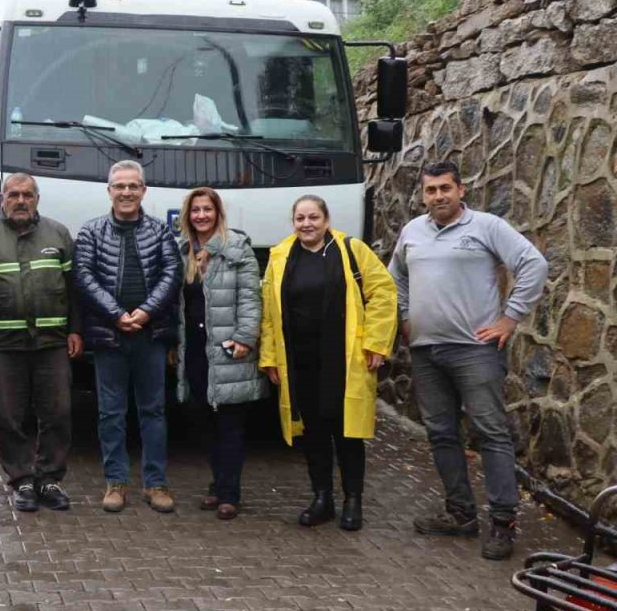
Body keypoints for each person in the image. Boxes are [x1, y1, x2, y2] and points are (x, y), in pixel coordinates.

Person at [388, 161, 547, 560]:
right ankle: (460, 513)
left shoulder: (486, 227)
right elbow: (395, 279)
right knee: (441, 433)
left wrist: (509, 318)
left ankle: (503, 522)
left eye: (445, 188)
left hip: (474, 350)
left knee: (490, 433)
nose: (438, 196)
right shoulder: (412, 231)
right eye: (430, 190)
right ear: (423, 195)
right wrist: (405, 318)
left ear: (461, 189)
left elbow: (534, 264)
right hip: (426, 352)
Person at [259, 195, 397, 531]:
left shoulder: (351, 250)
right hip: (299, 359)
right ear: (293, 222)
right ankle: (322, 498)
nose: (307, 224)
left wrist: (376, 342)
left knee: (346, 431)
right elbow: (269, 315)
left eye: (314, 217)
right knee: (313, 431)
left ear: (326, 219)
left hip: (344, 357)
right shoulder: (280, 257)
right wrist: (270, 358)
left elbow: (383, 292)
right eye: (300, 218)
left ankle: (353, 500)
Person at [0, 173, 82, 512]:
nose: (21, 201)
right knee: (7, 417)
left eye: (27, 194)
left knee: (58, 413)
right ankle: (22, 480)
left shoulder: (58, 234)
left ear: (37, 198)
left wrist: (75, 329)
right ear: (2, 198)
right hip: (3, 345)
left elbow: (74, 288)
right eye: (13, 195)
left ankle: (50, 479)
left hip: (52, 342)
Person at [74, 160, 181, 514]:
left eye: (133, 186)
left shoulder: (161, 232)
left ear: (143, 191)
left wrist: (146, 312)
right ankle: (115, 483)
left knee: (153, 411)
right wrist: (117, 315)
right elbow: (84, 276)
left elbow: (171, 273)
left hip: (151, 336)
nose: (126, 192)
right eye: (119, 186)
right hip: (110, 336)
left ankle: (156, 484)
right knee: (111, 412)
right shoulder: (90, 231)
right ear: (109, 191)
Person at [171, 187, 263, 521]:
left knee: (230, 422)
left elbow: (251, 298)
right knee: (201, 418)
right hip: (194, 349)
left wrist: (245, 337)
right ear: (188, 215)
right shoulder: (180, 251)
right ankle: (217, 482)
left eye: (207, 209)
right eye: (195, 210)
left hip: (228, 347)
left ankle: (229, 493)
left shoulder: (237, 249)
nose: (201, 216)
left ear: (217, 213)